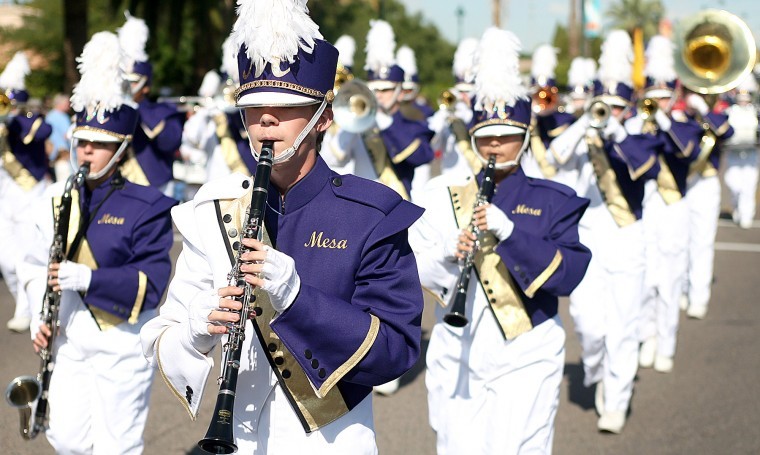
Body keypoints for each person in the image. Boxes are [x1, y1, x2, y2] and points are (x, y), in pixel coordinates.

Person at [140, 1, 424, 453]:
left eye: (286, 106)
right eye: (253, 109)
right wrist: (195, 328)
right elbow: (158, 339)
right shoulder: (213, 209)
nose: (266, 120)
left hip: (333, 438)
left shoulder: (371, 214)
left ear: (323, 117)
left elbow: (396, 350)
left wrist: (296, 298)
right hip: (237, 435)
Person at [409, 27, 591, 454]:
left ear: (525, 136)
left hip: (526, 346)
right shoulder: (440, 195)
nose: (495, 144)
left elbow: (569, 275)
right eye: (486, 134)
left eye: (507, 134)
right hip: (457, 345)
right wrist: (449, 253)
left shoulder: (554, 200)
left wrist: (509, 232)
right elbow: (414, 263)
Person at [18, 31, 176, 453]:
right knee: (66, 439)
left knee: (115, 446)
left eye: (100, 145)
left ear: (121, 147)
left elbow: (152, 284)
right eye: (82, 143)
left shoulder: (149, 206)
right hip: (68, 338)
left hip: (120, 344)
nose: (87, 153)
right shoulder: (56, 198)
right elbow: (33, 265)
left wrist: (87, 278)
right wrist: (39, 315)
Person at [548, 29, 662, 433]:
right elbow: (553, 159)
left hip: (628, 239)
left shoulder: (642, 137)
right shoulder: (583, 136)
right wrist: (584, 124)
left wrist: (613, 132)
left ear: (627, 108)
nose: (609, 112)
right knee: (589, 325)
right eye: (604, 106)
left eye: (616, 107)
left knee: (623, 326)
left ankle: (616, 401)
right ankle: (598, 369)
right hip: (587, 240)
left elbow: (645, 168)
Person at [626, 34, 689, 373]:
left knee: (670, 282)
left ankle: (667, 342)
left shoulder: (682, 126)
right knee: (645, 280)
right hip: (643, 211)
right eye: (653, 98)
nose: (659, 103)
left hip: (673, 209)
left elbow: (685, 150)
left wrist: (664, 119)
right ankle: (646, 336)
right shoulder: (635, 125)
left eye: (665, 98)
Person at [0, 51, 53, 332]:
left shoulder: (30, 119)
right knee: (6, 259)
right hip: (4, 197)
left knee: (27, 255)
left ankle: (27, 310)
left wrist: (13, 118)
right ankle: (28, 304)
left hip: (28, 193)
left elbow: (43, 132)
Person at [671, 86, 734, 319]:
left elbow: (726, 131)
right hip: (680, 185)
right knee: (679, 240)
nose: (691, 95)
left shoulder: (715, 116)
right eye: (688, 91)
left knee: (702, 241)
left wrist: (703, 109)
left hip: (706, 184)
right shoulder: (678, 118)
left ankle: (699, 295)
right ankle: (681, 289)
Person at [363, 19, 435, 200]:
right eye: (374, 89)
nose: (378, 95)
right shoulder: (358, 119)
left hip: (394, 204)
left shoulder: (414, 118)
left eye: (385, 89)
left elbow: (422, 156)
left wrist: (387, 124)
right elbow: (335, 158)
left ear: (400, 93)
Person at [117, 12, 185, 197]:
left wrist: (137, 108)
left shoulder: (163, 111)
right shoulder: (115, 110)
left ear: (146, 86)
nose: (126, 86)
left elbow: (169, 143)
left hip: (155, 188)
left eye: (132, 81)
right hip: (120, 186)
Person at [427, 37, 481, 180]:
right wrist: (444, 113)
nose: (463, 95)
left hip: (476, 177)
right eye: (461, 91)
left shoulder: (481, 113)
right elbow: (433, 145)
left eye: (468, 91)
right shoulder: (448, 111)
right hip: (450, 178)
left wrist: (471, 108)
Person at [523, 44, 575, 180]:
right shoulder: (525, 118)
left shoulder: (564, 119)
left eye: (546, 95)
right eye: (537, 94)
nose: (542, 98)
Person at [723, 73, 759, 229]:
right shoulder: (730, 111)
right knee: (734, 183)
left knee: (749, 185)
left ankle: (746, 214)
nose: (744, 100)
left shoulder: (756, 111)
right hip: (734, 153)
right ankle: (737, 206)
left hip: (751, 153)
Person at [44, 93, 73, 182]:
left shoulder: (49, 115)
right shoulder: (62, 117)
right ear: (60, 103)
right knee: (64, 183)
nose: (69, 105)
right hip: (63, 156)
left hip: (53, 156)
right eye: (67, 103)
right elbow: (68, 135)